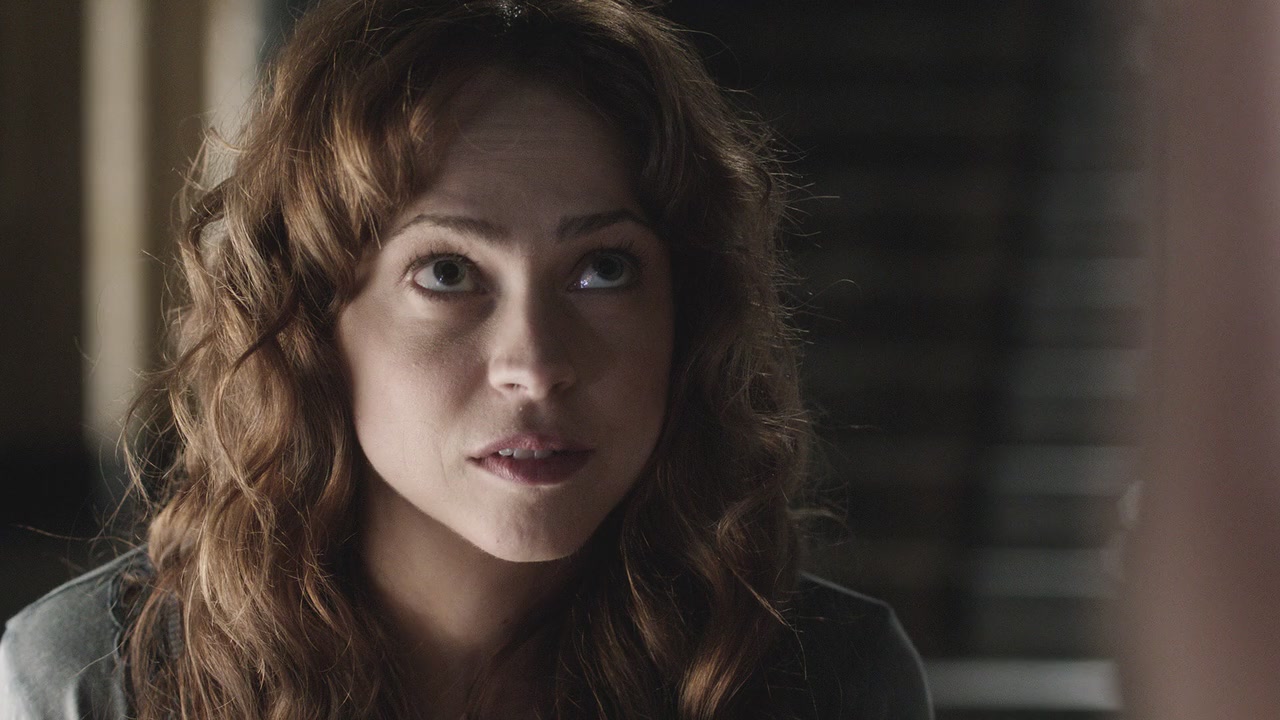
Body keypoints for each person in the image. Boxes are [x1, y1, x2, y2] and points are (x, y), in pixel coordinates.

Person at [0, 1, 932, 718]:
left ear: (685, 316)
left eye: (604, 269)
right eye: (447, 272)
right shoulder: (97, 683)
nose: (536, 363)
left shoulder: (831, 681)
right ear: (313, 322)